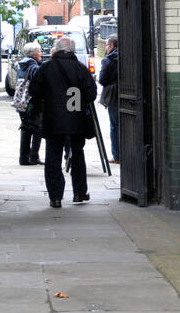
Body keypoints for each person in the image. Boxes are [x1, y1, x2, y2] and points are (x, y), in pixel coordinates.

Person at [30, 36, 97, 207]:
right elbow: (91, 94)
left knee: (53, 156)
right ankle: (79, 193)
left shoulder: (47, 67)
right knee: (77, 155)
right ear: (72, 50)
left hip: (53, 119)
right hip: (76, 119)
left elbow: (34, 91)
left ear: (57, 49)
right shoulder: (81, 69)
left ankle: (55, 197)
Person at [16, 41, 43, 165]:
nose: (41, 53)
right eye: (39, 51)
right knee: (38, 129)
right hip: (32, 102)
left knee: (26, 128)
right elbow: (39, 84)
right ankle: (33, 156)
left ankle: (24, 157)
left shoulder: (22, 65)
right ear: (34, 53)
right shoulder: (34, 67)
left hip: (21, 101)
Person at [98, 34, 119, 164]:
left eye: (106, 45)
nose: (105, 47)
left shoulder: (108, 60)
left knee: (115, 126)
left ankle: (117, 155)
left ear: (111, 45)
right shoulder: (126, 56)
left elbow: (102, 80)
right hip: (126, 93)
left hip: (113, 95)